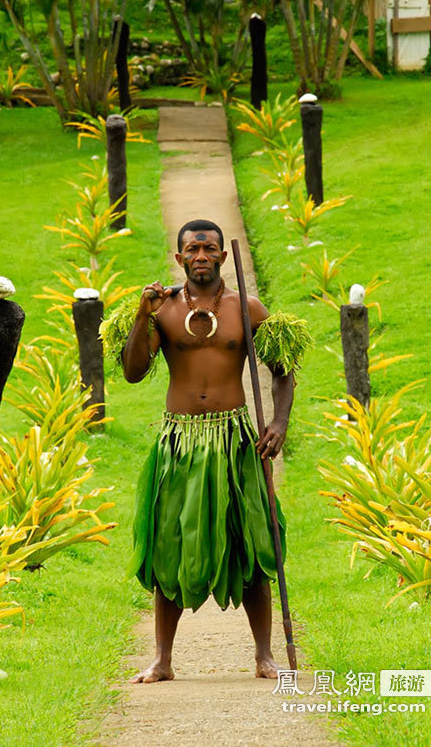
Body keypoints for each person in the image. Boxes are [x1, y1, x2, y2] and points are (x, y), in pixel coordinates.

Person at [121, 219, 295, 684]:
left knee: (253, 540)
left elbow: (283, 371)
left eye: (210, 248)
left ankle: (264, 655)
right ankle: (163, 660)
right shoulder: (162, 309)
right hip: (179, 440)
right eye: (192, 249)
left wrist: (278, 422)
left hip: (236, 440)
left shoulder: (248, 309)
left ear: (221, 255)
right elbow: (133, 371)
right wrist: (142, 315)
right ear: (179, 258)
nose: (201, 255)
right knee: (170, 543)